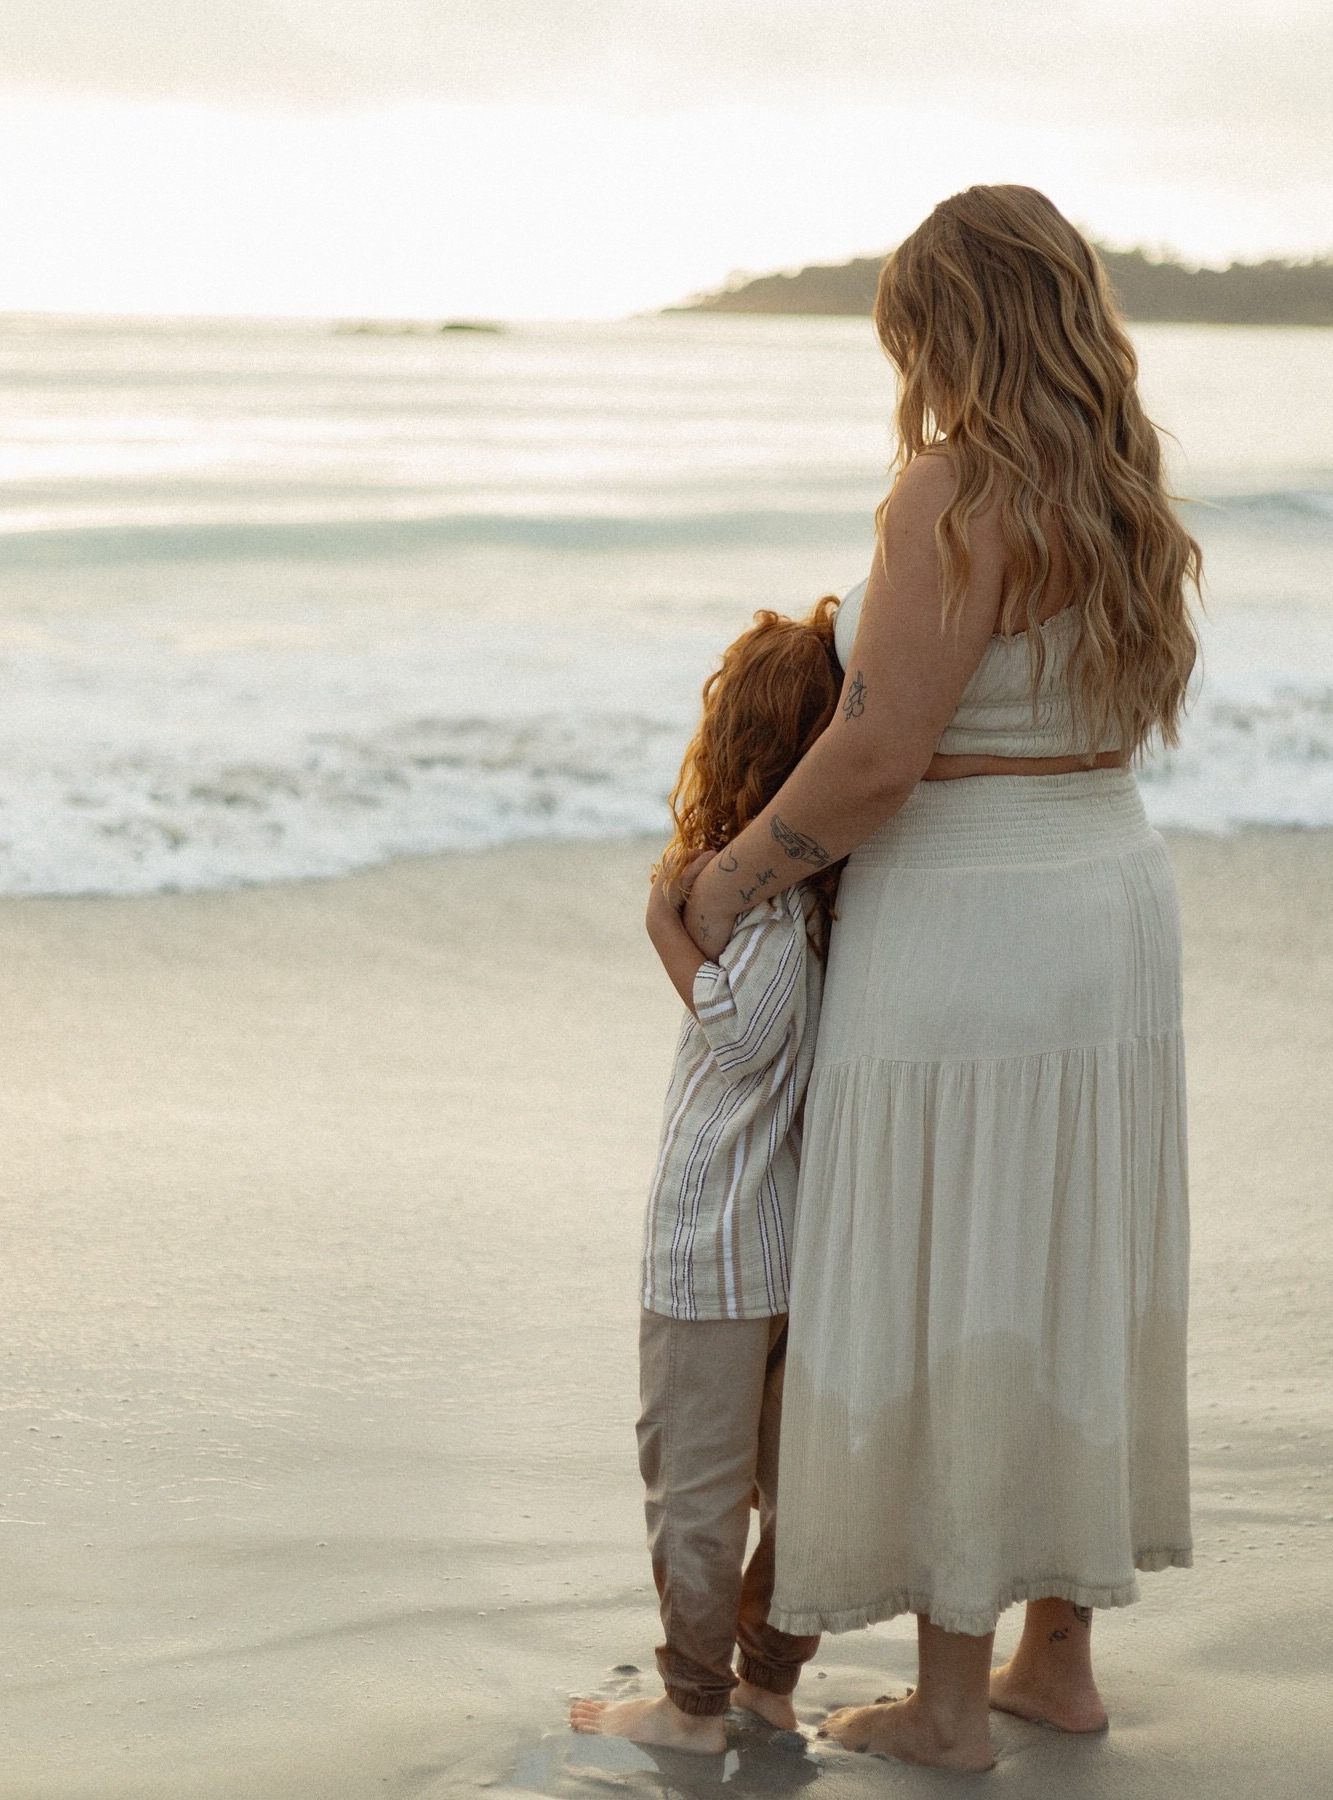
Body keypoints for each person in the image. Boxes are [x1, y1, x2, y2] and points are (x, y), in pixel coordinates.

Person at [681, 184, 1201, 1773]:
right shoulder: (1124, 494)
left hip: (970, 920)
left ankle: (954, 1705)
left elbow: (878, 750)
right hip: (1108, 898)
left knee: (959, 1276)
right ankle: (1058, 1661)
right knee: (1066, 1261)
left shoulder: (949, 495)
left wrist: (729, 874)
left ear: (950, 325)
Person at [569, 599, 846, 1753]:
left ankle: (694, 1710)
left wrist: (663, 930)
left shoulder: (773, 915)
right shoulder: (827, 907)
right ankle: (768, 1681)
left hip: (715, 1247)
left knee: (693, 1485)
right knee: (787, 1483)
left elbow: (739, 1035)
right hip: (777, 1243)